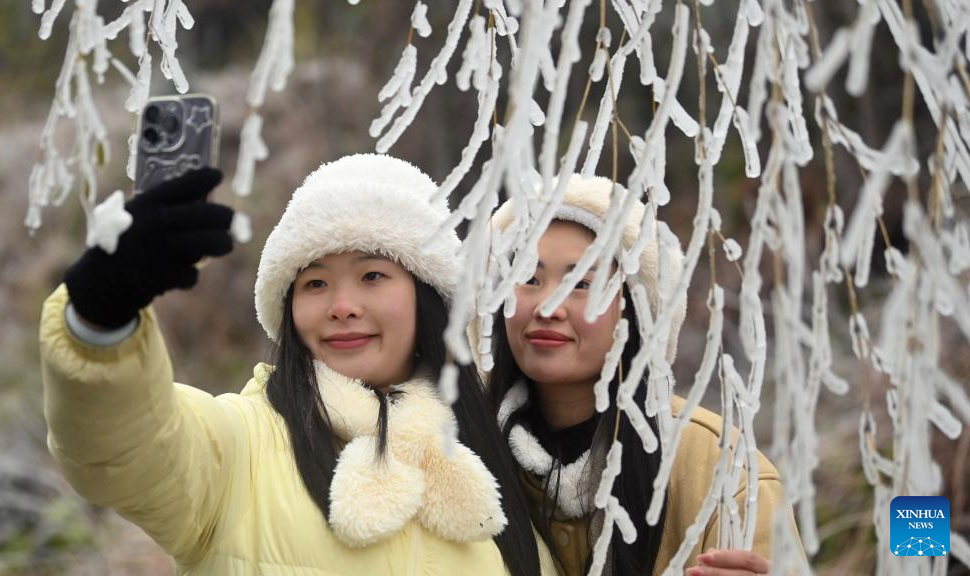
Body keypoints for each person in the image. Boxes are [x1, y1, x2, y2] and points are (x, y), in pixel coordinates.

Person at [40, 154, 557, 575]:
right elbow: (123, 448)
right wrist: (101, 319)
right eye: (315, 283)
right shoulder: (239, 449)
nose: (342, 306)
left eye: (372, 276)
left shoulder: (499, 461)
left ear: (430, 297)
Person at [484, 175, 806, 575]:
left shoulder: (723, 472)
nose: (548, 306)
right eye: (529, 279)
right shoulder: (458, 452)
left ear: (636, 311)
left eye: (582, 283)